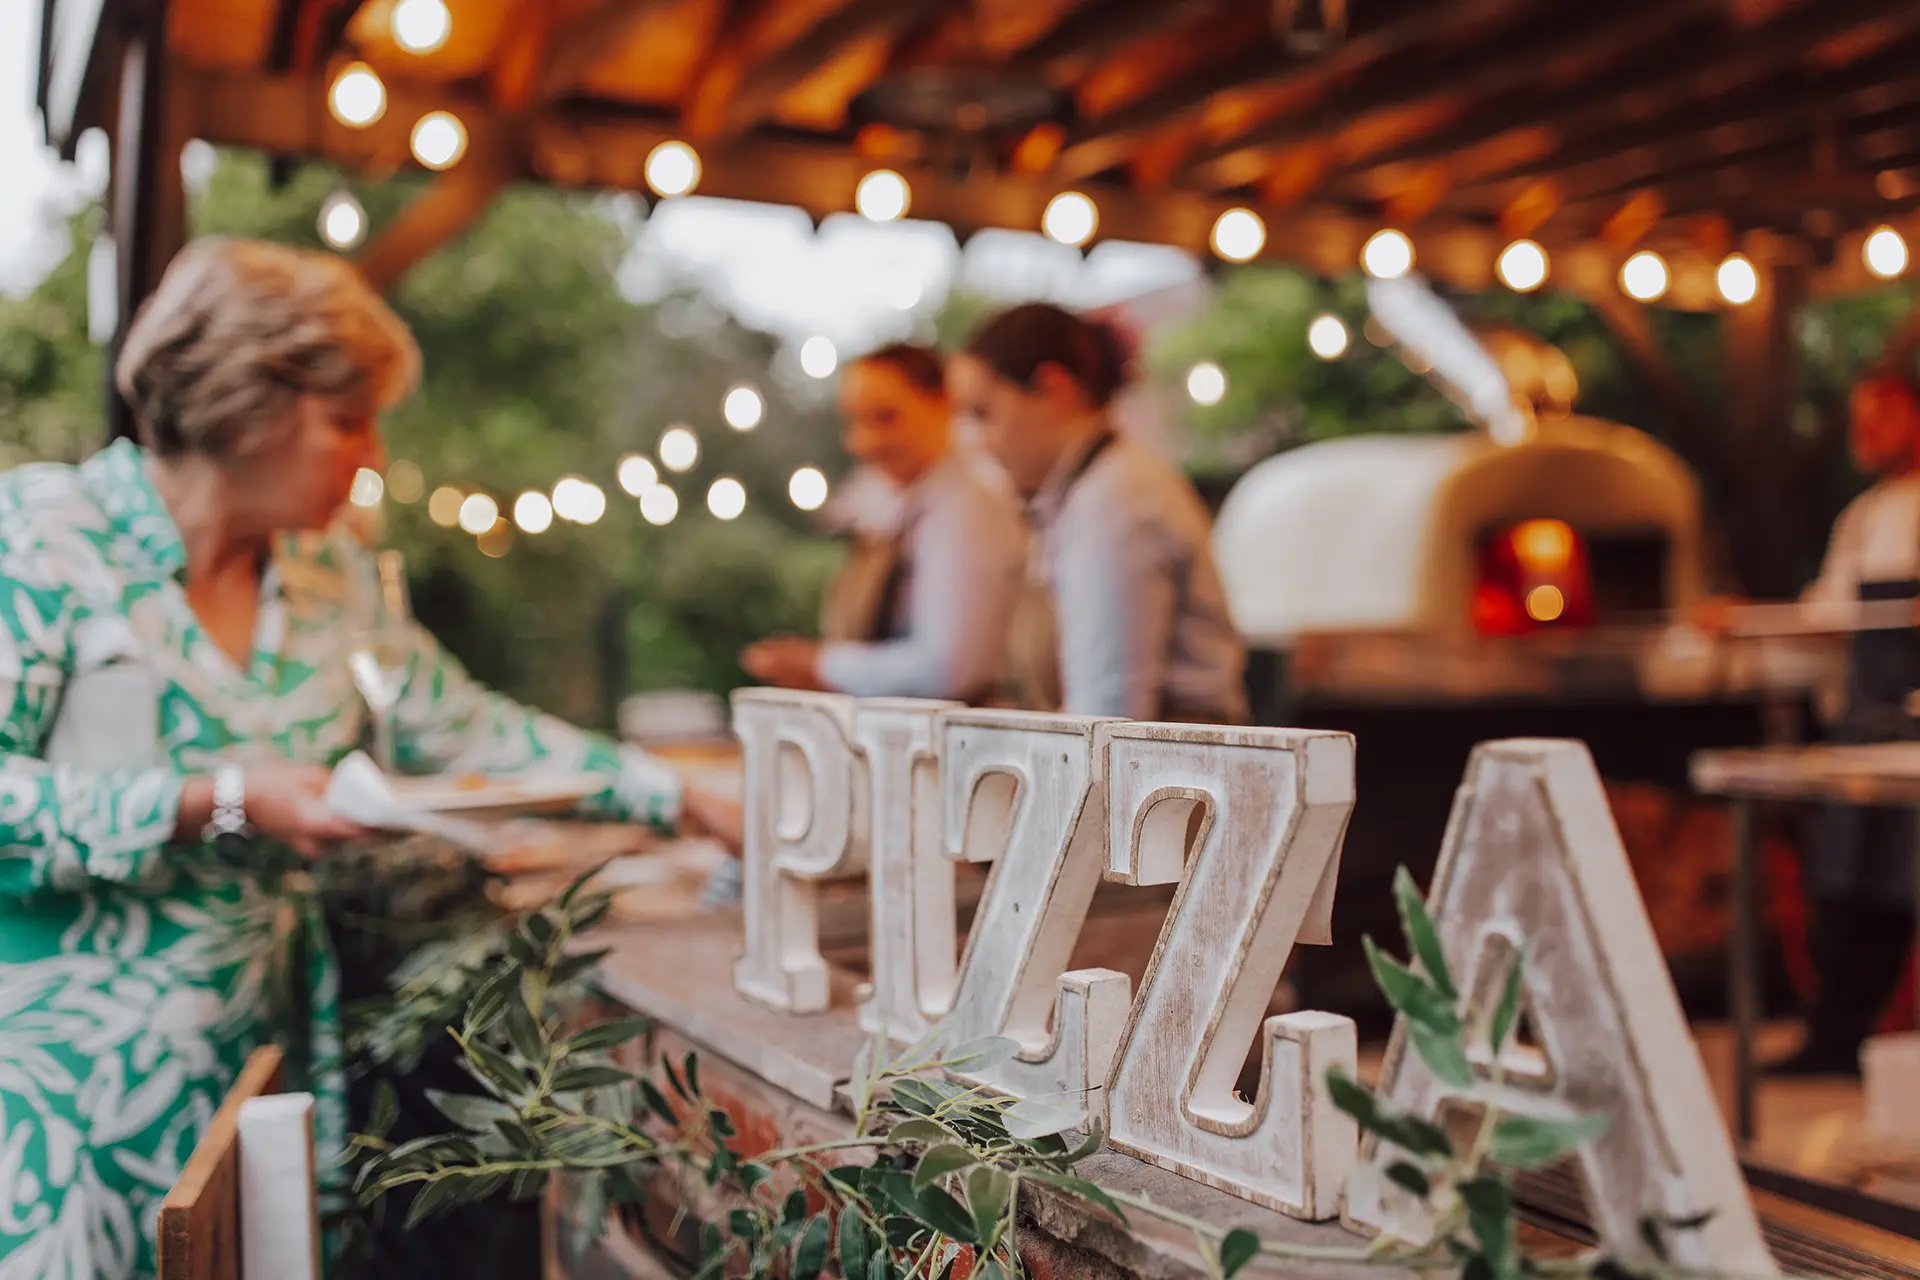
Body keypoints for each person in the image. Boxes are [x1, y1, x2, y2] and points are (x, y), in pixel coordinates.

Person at [0, 238, 740, 1280]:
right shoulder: (41, 535)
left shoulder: (328, 571)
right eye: (349, 419)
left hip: (254, 1074)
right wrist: (216, 799)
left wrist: (682, 793)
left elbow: (468, 728)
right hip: (56, 1104)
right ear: (248, 396)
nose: (373, 456)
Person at [1703, 367, 1920, 1076]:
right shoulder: (1862, 518)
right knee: (1858, 891)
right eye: (1860, 418)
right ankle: (1836, 1040)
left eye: (1881, 416)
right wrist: (1751, 628)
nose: (1865, 434)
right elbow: (1833, 623)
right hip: (1870, 730)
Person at [950, 303, 1248, 723]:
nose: (978, 442)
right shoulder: (1095, 489)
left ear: (1052, 390)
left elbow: (1107, 721)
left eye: (984, 413)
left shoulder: (1115, 502)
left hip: (1170, 782)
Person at [741, 343, 1025, 702]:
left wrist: (823, 665)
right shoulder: (894, 502)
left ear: (942, 402)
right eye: (853, 421)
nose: (863, 441)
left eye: (886, 417)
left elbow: (948, 669)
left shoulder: (969, 509)